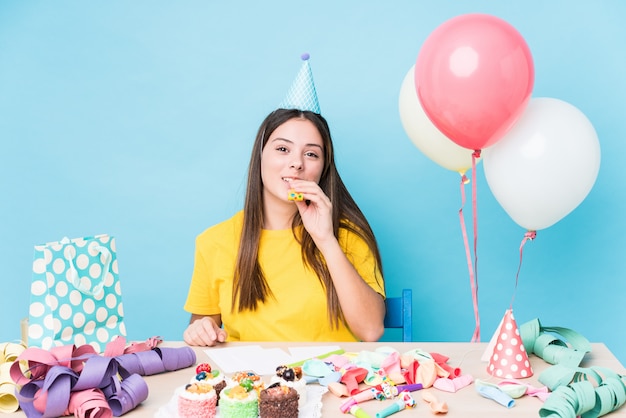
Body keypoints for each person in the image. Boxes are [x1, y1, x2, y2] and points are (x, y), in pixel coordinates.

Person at [183, 56, 385, 346]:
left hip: (332, 385)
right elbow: (203, 327)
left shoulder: (347, 235)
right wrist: (200, 330)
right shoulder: (214, 242)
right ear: (261, 155)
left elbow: (371, 331)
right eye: (282, 149)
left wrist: (326, 240)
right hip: (253, 386)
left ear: (323, 168)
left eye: (311, 154)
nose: (296, 164)